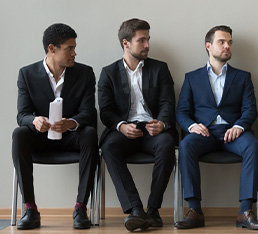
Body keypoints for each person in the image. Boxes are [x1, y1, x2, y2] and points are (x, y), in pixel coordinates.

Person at [175, 25, 258, 230]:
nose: (227, 46)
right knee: (186, 146)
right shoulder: (192, 77)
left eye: (230, 43)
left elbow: (250, 110)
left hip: (234, 133)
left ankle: (245, 211)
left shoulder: (243, 77)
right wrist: (192, 126)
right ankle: (195, 210)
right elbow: (181, 112)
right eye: (222, 42)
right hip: (204, 134)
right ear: (208, 46)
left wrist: (240, 127)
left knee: (253, 146)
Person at [12, 23, 99, 230]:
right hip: (40, 137)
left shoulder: (85, 73)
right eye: (69, 48)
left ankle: (80, 208)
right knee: (19, 134)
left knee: (89, 133)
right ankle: (30, 209)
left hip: (70, 137)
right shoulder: (27, 74)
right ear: (52, 48)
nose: (74, 53)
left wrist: (72, 122)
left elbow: (89, 113)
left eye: (74, 47)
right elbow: (22, 115)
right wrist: (35, 121)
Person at [98, 18, 178, 232]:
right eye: (141, 40)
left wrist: (161, 123)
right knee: (109, 147)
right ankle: (135, 209)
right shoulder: (108, 73)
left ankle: (152, 210)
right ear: (126, 43)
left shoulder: (160, 69)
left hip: (153, 129)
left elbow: (167, 103)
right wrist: (121, 125)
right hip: (124, 130)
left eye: (148, 40)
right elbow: (105, 111)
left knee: (167, 143)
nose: (147, 45)